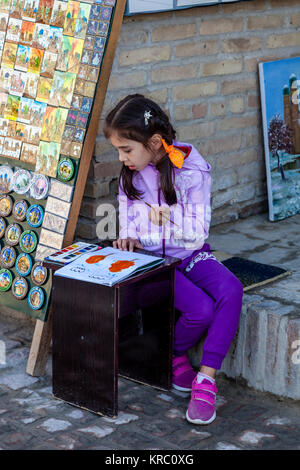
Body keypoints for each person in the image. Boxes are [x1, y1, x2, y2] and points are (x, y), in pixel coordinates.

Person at [104, 94, 244, 425]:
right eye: (118, 151)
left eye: (126, 150)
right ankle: (172, 353)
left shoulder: (190, 168)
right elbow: (128, 219)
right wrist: (129, 236)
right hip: (154, 262)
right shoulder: (133, 175)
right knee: (200, 310)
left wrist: (169, 220)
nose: (122, 158)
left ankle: (206, 378)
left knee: (232, 289)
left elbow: (197, 231)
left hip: (192, 253)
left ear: (154, 142)